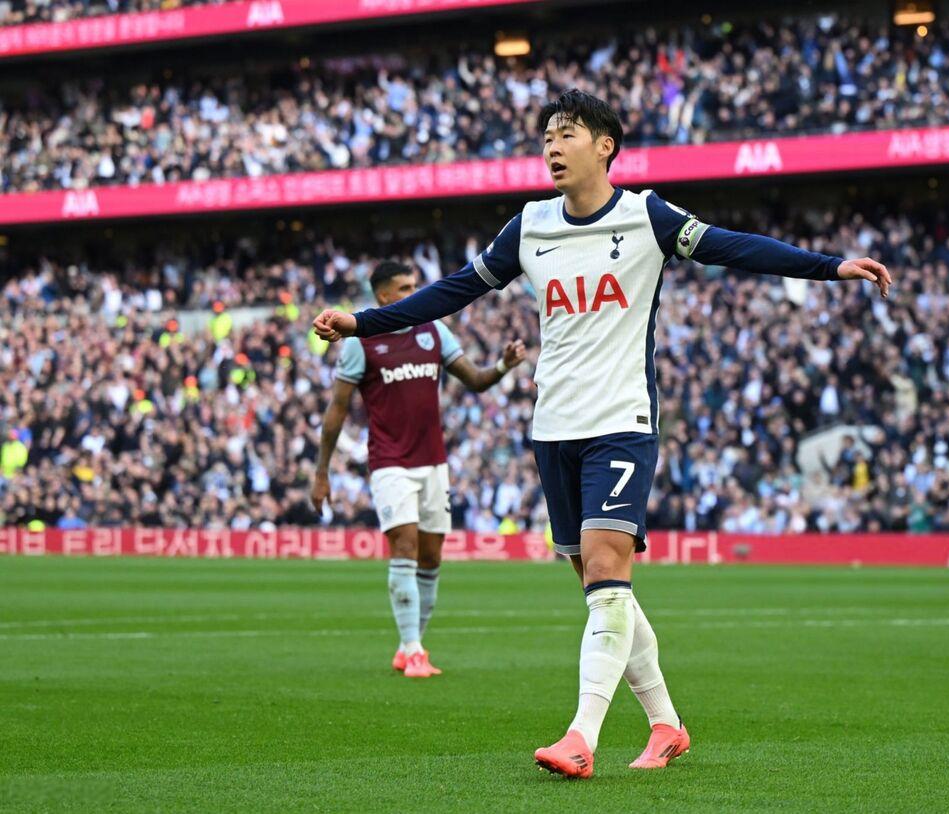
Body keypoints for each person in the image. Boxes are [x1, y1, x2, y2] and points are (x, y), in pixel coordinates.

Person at [313, 89, 892, 776]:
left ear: (605, 145)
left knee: (608, 572)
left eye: (567, 134)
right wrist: (363, 321)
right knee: (599, 583)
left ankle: (580, 737)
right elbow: (453, 291)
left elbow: (732, 247)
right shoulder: (529, 225)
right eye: (547, 137)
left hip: (621, 421)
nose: (553, 148)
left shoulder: (647, 216)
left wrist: (830, 266)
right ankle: (666, 725)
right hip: (554, 427)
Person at [311, 261, 526, 678]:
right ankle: (413, 650)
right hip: (389, 463)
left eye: (415, 285)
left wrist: (502, 366)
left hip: (433, 462)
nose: (415, 293)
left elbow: (476, 380)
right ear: (383, 296)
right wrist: (322, 472)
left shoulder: (434, 331)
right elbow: (337, 410)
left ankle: (410, 645)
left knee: (431, 556)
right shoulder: (360, 341)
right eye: (405, 288)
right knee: (405, 547)